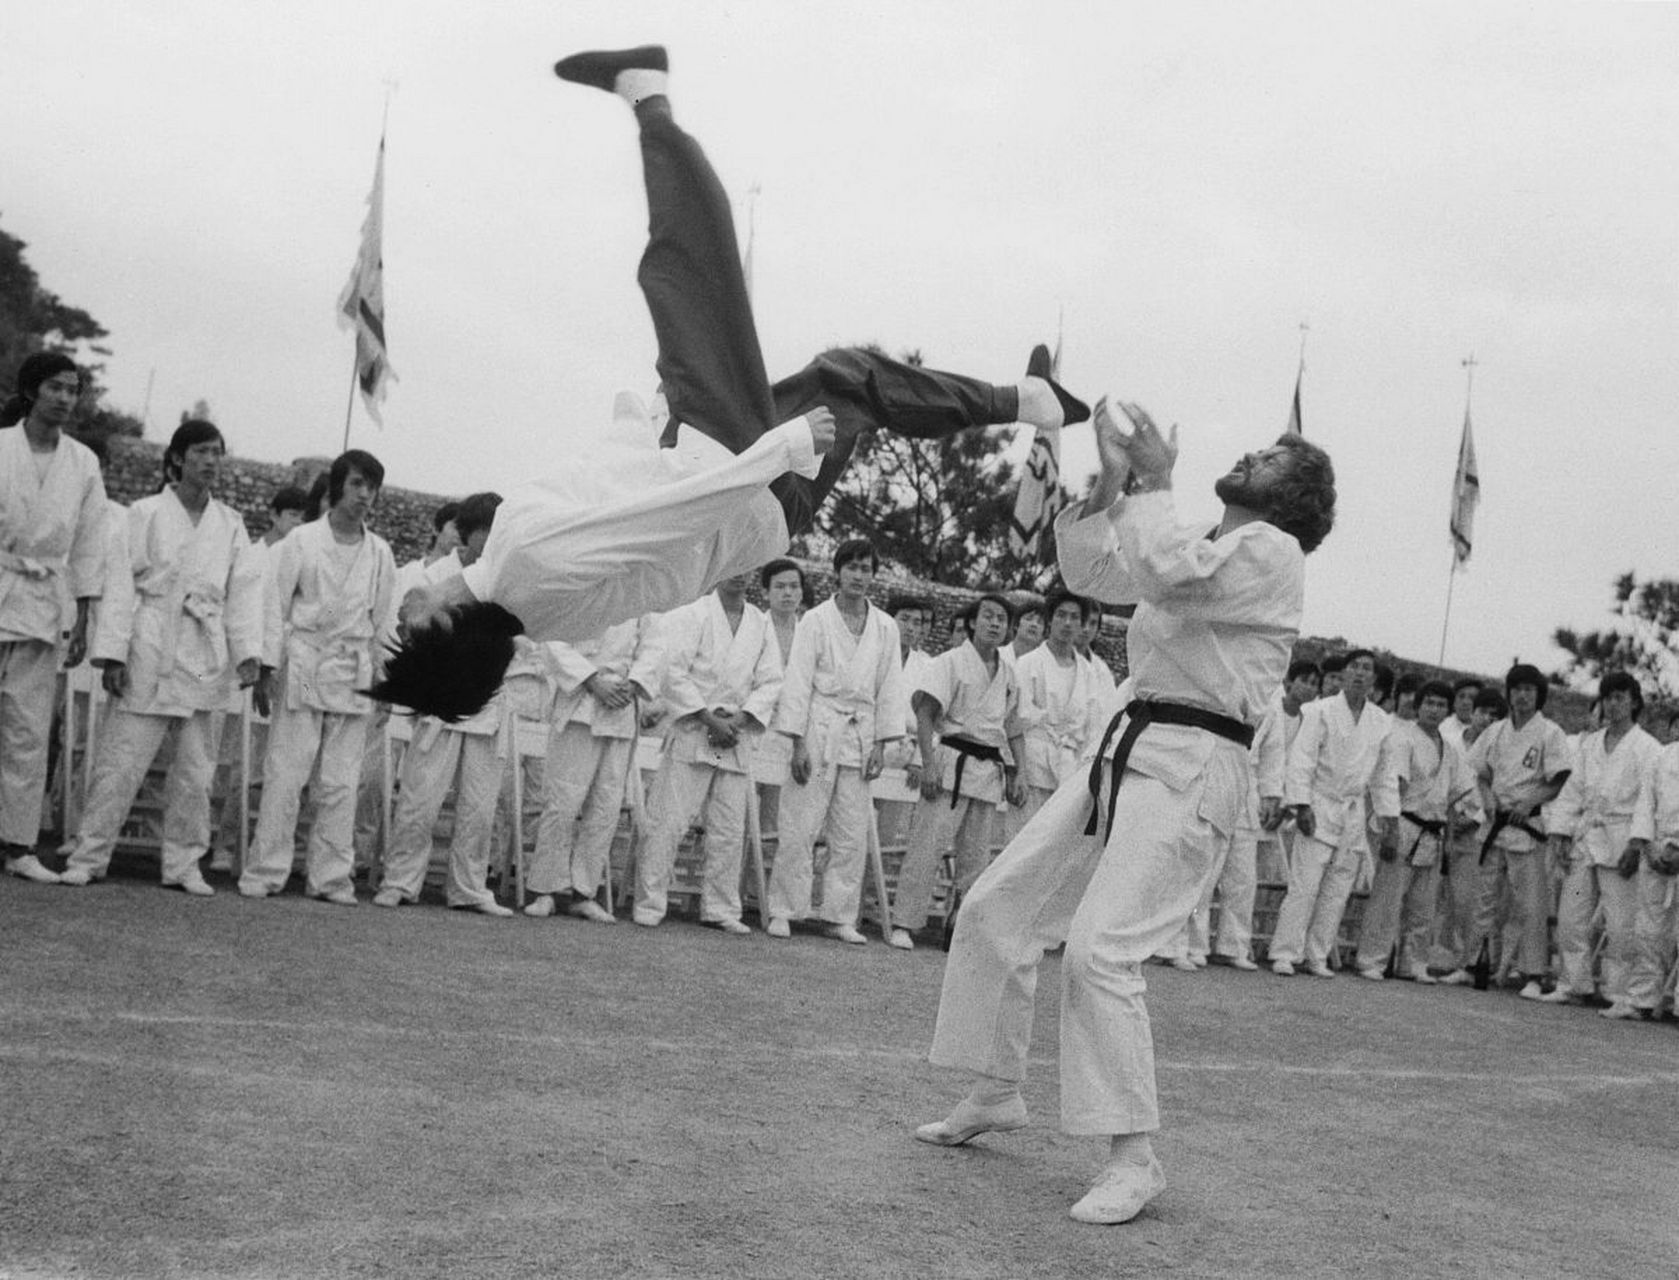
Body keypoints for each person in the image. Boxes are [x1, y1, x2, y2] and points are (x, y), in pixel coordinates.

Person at [376, 45, 1087, 724]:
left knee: (852, 378)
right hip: (725, 463)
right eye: (406, 628)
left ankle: (1024, 401)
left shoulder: (530, 609)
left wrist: (651, 423)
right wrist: (779, 449)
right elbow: (667, 518)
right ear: (441, 622)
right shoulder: (522, 565)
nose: (400, 613)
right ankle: (646, 93)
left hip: (757, 511)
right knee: (686, 264)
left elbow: (622, 512)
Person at [917, 397, 1335, 1226]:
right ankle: (995, 1088)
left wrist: (1157, 481)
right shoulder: (1197, 542)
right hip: (1125, 747)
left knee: (1099, 952)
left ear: (1291, 500)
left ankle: (1133, 1158)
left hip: (1192, 764)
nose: (1249, 458)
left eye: (1269, 461)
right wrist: (1111, 488)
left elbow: (1168, 571)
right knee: (997, 906)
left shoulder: (1272, 552)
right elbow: (1097, 577)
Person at [58, 421, 263, 893]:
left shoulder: (230, 523)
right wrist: (113, 654)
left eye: (217, 453)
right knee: (121, 762)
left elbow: (244, 592)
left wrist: (247, 652)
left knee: (195, 771)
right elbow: (119, 585)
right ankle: (90, 855)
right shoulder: (144, 513)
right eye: (201, 452)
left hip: (203, 651)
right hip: (150, 642)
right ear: (177, 458)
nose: (210, 461)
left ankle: (183, 864)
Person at [237, 450, 396, 903]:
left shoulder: (379, 552)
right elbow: (274, 605)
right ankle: (266, 870)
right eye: (357, 484)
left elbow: (383, 622)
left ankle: (330, 877)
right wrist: (266, 667)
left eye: (372, 487)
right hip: (307, 664)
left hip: (352, 669)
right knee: (289, 769)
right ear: (337, 486)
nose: (364, 495)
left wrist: (386, 679)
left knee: (341, 779)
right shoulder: (302, 541)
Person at [376, 493, 524, 918]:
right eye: (486, 533)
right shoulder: (435, 576)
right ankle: (400, 881)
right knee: (420, 801)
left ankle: (468, 887)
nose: (493, 543)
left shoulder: (507, 580)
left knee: (479, 807)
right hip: (440, 703)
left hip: (487, 706)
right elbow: (405, 630)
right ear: (466, 533)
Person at [0, 352, 109, 883]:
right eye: (56, 387)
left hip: (43, 602)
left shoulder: (83, 463)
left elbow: (90, 543)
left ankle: (18, 844)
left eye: (73, 389)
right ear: (31, 391)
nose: (66, 398)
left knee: (27, 728)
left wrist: (85, 613)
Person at [764, 539, 904, 945]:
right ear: (838, 572)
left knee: (851, 831)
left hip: (860, 735)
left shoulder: (885, 627)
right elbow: (798, 682)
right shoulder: (815, 620)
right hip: (819, 731)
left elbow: (890, 688)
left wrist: (881, 745)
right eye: (852, 567)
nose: (859, 575)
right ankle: (785, 909)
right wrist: (797, 743)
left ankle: (839, 915)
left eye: (866, 568)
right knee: (801, 824)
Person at [632, 572, 783, 932]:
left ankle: (720, 908)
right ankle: (650, 901)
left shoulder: (760, 623)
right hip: (695, 728)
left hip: (734, 734)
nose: (739, 576)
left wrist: (739, 720)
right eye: (733, 568)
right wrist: (708, 719)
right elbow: (673, 673)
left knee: (728, 828)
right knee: (669, 821)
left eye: (746, 569)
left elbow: (771, 680)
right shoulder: (694, 614)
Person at [888, 591, 1025, 951]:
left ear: (1009, 629)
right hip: (950, 760)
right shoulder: (950, 661)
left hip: (987, 769)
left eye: (1001, 619)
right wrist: (928, 763)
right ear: (973, 622)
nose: (994, 624)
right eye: (988, 616)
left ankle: (961, 927)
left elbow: (1014, 729)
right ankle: (905, 922)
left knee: (976, 859)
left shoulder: (1009, 673)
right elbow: (925, 714)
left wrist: (1019, 773)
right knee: (927, 846)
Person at [1441, 664, 1571, 995]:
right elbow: (1481, 773)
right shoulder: (1496, 731)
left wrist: (1528, 803)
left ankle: (1532, 974)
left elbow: (1558, 779)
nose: (1522, 695)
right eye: (1517, 689)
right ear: (1509, 693)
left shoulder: (1550, 733)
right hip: (1494, 823)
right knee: (1483, 900)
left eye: (1529, 689)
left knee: (1530, 904)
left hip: (1527, 826)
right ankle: (1472, 965)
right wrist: (1487, 799)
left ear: (1539, 695)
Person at [522, 616, 662, 922]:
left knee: (605, 807)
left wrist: (633, 684)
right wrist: (592, 681)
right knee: (562, 802)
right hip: (580, 703)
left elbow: (655, 646)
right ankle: (545, 889)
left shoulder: (643, 599)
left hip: (621, 707)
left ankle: (583, 892)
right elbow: (553, 639)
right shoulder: (581, 590)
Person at [1269, 650, 1398, 978]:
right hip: (1320, 803)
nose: (1360, 673)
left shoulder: (1380, 721)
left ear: (1373, 679)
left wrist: (1390, 820)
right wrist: (1301, 805)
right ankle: (1285, 952)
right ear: (1344, 673)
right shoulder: (1319, 710)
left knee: (1337, 891)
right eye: (1354, 667)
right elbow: (1302, 759)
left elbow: (1384, 776)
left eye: (1366, 669)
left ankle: (1317, 955)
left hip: (1353, 812)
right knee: (1305, 886)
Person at [1542, 672, 1659, 1015]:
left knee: (1621, 924)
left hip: (1622, 840)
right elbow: (1573, 791)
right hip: (1587, 838)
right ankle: (1573, 983)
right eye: (1608, 698)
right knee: (1571, 917)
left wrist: (1637, 844)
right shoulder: (1591, 744)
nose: (1612, 704)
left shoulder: (1648, 748)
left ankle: (1619, 992)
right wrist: (1561, 833)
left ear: (1634, 702)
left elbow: (1648, 801)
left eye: (1620, 697)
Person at [1352, 679, 1478, 982]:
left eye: (1440, 705)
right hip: (1404, 824)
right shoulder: (1403, 739)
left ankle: (1413, 963)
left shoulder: (1450, 749)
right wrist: (1390, 829)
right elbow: (1393, 787)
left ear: (1448, 711)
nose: (1434, 710)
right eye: (1429, 703)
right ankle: (1372, 959)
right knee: (1388, 898)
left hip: (1434, 832)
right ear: (1418, 707)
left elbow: (1454, 796)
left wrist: (1449, 836)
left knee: (1423, 905)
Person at [1006, 591, 1104, 839]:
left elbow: (1093, 729)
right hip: (1032, 763)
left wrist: (1087, 777)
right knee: (1020, 843)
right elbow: (1014, 721)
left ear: (1082, 624)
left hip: (1069, 768)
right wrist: (1019, 772)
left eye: (1074, 617)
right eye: (1061, 615)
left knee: (1054, 847)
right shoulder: (1029, 663)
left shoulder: (1089, 672)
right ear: (1050, 619)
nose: (1067, 623)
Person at [750, 558, 809, 835]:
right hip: (752, 730)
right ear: (765, 592)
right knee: (737, 815)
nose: (787, 593)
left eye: (794, 587)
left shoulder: (810, 633)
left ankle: (760, 867)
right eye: (780, 586)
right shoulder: (752, 627)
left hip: (790, 737)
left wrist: (801, 742)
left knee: (773, 822)